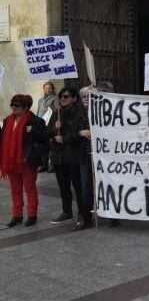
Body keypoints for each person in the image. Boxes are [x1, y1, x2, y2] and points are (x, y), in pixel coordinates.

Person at [1, 95, 46, 227]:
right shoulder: (7, 121)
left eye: (17, 105)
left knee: (29, 188)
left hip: (28, 160)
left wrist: (33, 132)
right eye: (12, 105)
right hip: (11, 161)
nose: (14, 107)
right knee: (15, 190)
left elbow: (43, 139)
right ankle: (17, 215)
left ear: (25, 107)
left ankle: (32, 214)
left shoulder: (36, 121)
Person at [47, 87, 86, 225]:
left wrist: (65, 139)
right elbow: (48, 133)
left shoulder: (80, 113)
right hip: (59, 156)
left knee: (78, 187)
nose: (62, 99)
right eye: (61, 97)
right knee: (63, 187)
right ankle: (66, 211)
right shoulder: (56, 113)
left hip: (74, 156)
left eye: (66, 96)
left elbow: (81, 134)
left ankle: (83, 212)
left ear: (74, 98)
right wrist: (54, 128)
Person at [73, 86, 98, 231]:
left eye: (90, 96)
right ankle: (86, 217)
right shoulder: (78, 114)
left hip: (102, 156)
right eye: (84, 97)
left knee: (104, 184)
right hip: (85, 156)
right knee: (86, 187)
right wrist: (79, 132)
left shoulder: (104, 112)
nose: (87, 99)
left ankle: (113, 216)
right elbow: (70, 131)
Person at [36, 81, 58, 172]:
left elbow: (58, 110)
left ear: (52, 89)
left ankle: (51, 165)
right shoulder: (40, 100)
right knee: (42, 144)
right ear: (43, 89)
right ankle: (43, 164)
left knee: (51, 144)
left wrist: (50, 109)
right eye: (46, 88)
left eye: (49, 88)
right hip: (42, 124)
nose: (48, 90)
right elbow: (38, 112)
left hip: (51, 123)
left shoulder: (55, 98)